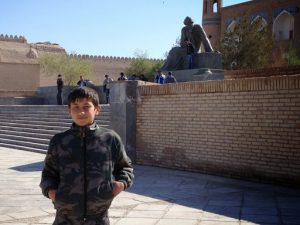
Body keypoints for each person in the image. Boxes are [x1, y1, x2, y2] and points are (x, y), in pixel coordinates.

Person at [40, 87, 134, 225]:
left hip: (99, 218)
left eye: (86, 106)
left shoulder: (110, 138)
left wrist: (119, 185)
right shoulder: (59, 141)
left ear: (97, 109)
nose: (81, 112)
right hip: (64, 217)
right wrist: (53, 193)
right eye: (76, 107)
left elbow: (125, 167)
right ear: (69, 110)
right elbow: (48, 174)